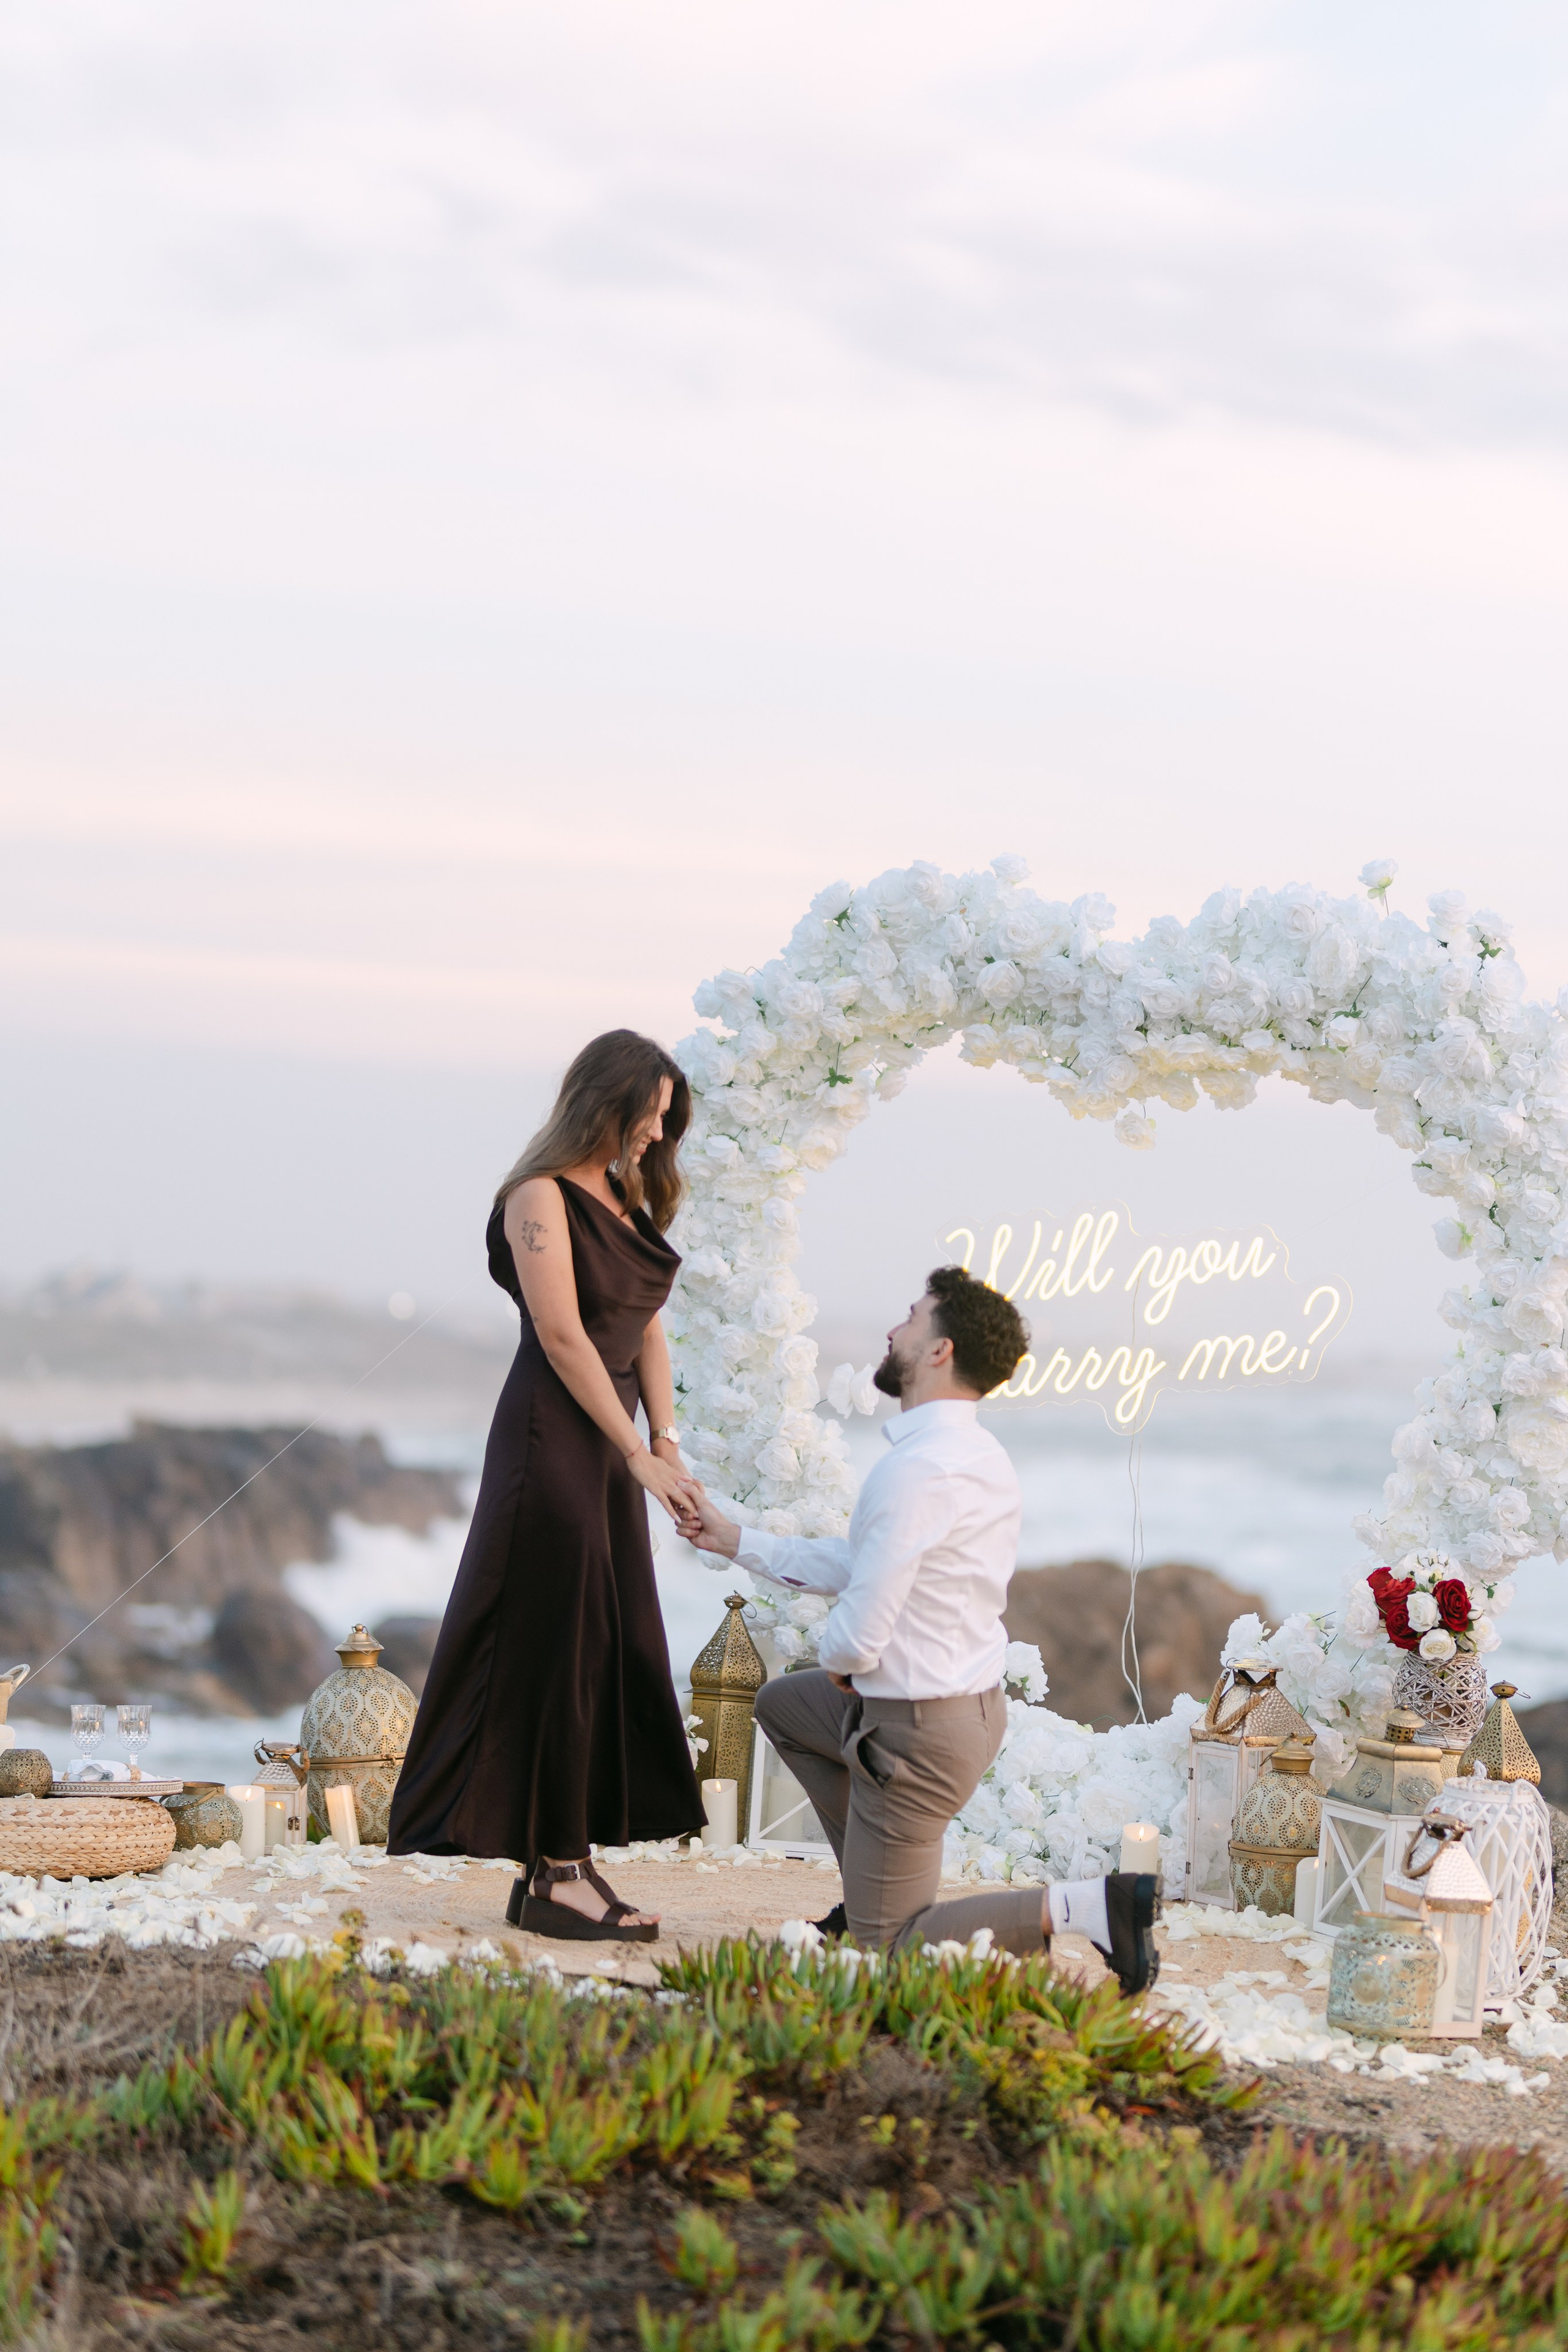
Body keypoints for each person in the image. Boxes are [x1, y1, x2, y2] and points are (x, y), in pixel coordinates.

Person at [678, 1265, 1158, 1992]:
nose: (893, 1329)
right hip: (960, 1709)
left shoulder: (918, 1471)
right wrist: (736, 1540)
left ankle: (1091, 1907)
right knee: (785, 1705)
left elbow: (861, 1626)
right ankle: (869, 1891)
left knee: (891, 1950)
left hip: (917, 1734)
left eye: (911, 1317)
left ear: (939, 1349)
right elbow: (865, 1563)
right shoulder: (971, 1454)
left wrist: (843, 1660)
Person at [388, 1029, 706, 1940]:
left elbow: (647, 1328)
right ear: (605, 1101)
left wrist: (666, 1441)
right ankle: (557, 1870)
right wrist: (634, 1452)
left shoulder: (627, 1196)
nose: (657, 1134)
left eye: (666, 1119)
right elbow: (563, 1336)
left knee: (597, 1643)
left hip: (612, 1443)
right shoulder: (538, 1196)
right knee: (557, 1642)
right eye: (649, 1115)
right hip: (552, 1438)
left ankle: (560, 1867)